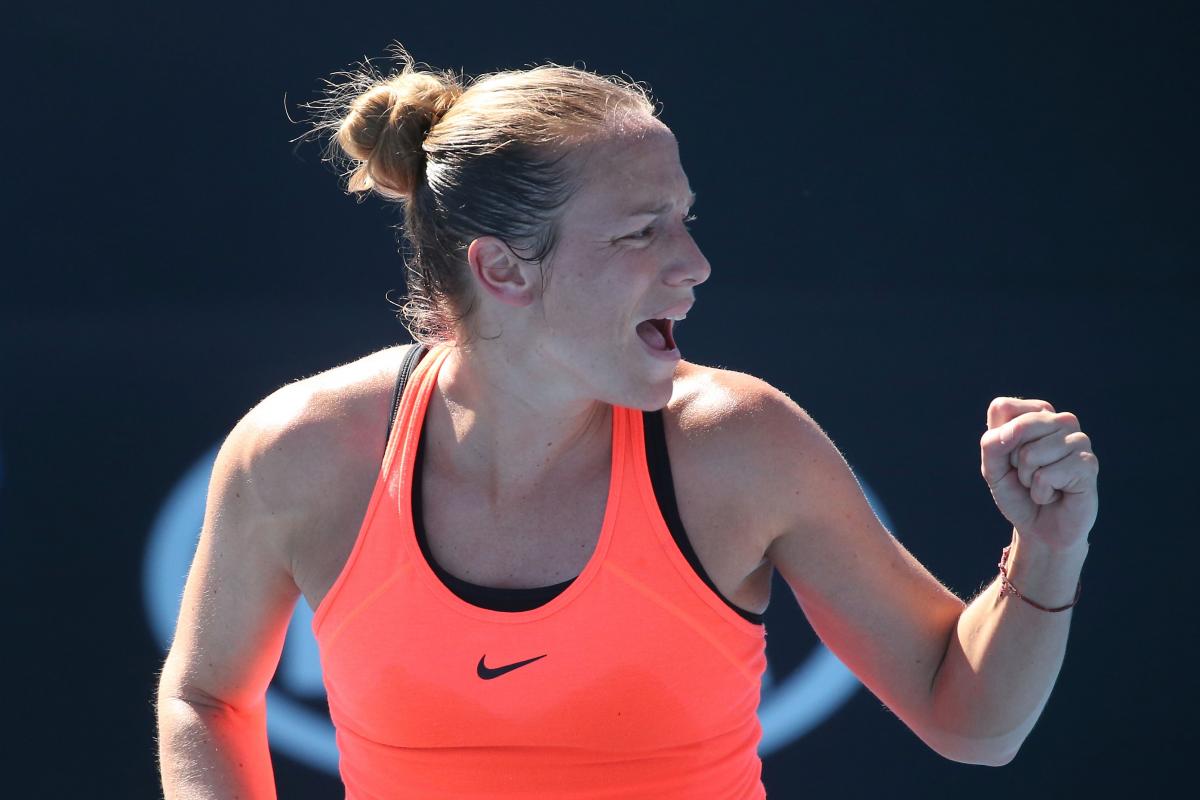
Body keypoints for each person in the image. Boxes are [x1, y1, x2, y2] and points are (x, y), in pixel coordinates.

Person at [155, 43, 1098, 799]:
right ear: (503, 270)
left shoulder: (740, 444)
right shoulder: (300, 452)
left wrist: (1048, 553)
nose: (693, 264)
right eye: (641, 231)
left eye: (684, 220)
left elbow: (972, 724)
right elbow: (203, 699)